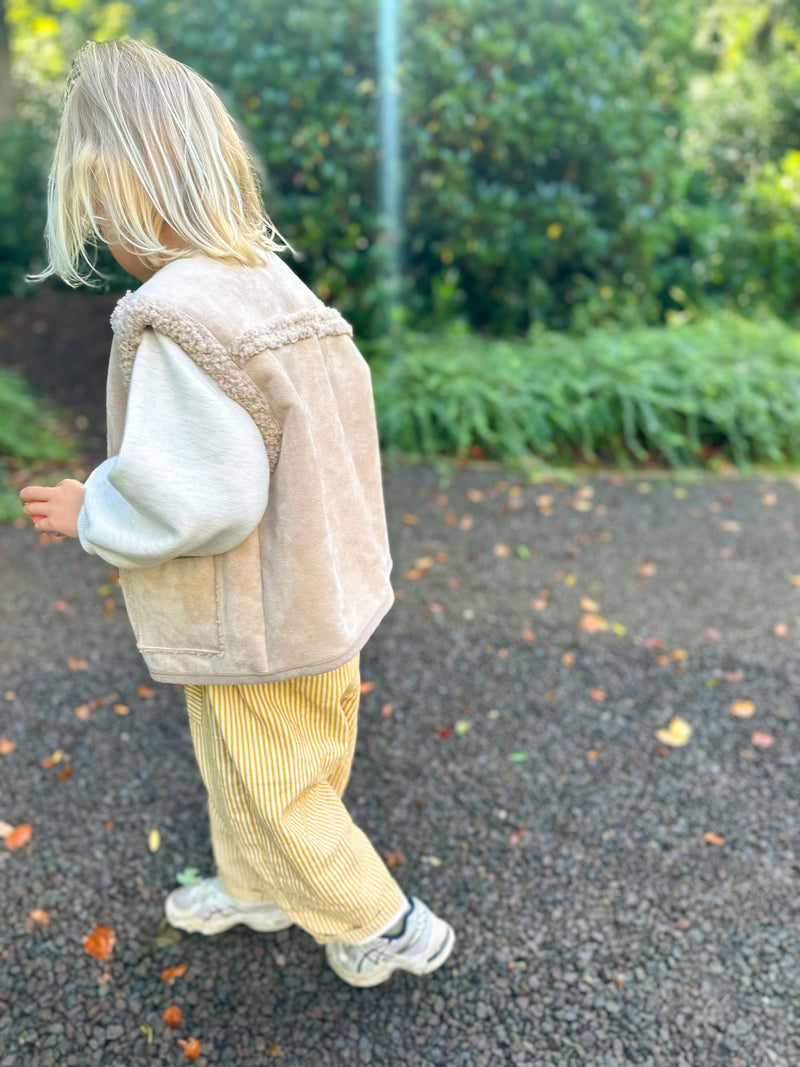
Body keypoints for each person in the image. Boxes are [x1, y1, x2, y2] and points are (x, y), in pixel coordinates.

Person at [20, 38, 454, 988]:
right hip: (325, 600)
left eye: (99, 215)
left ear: (124, 190)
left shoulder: (179, 315)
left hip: (253, 617)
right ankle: (258, 888)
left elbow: (201, 495)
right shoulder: (273, 287)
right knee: (270, 766)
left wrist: (93, 506)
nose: (107, 239)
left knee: (276, 785)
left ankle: (387, 920)